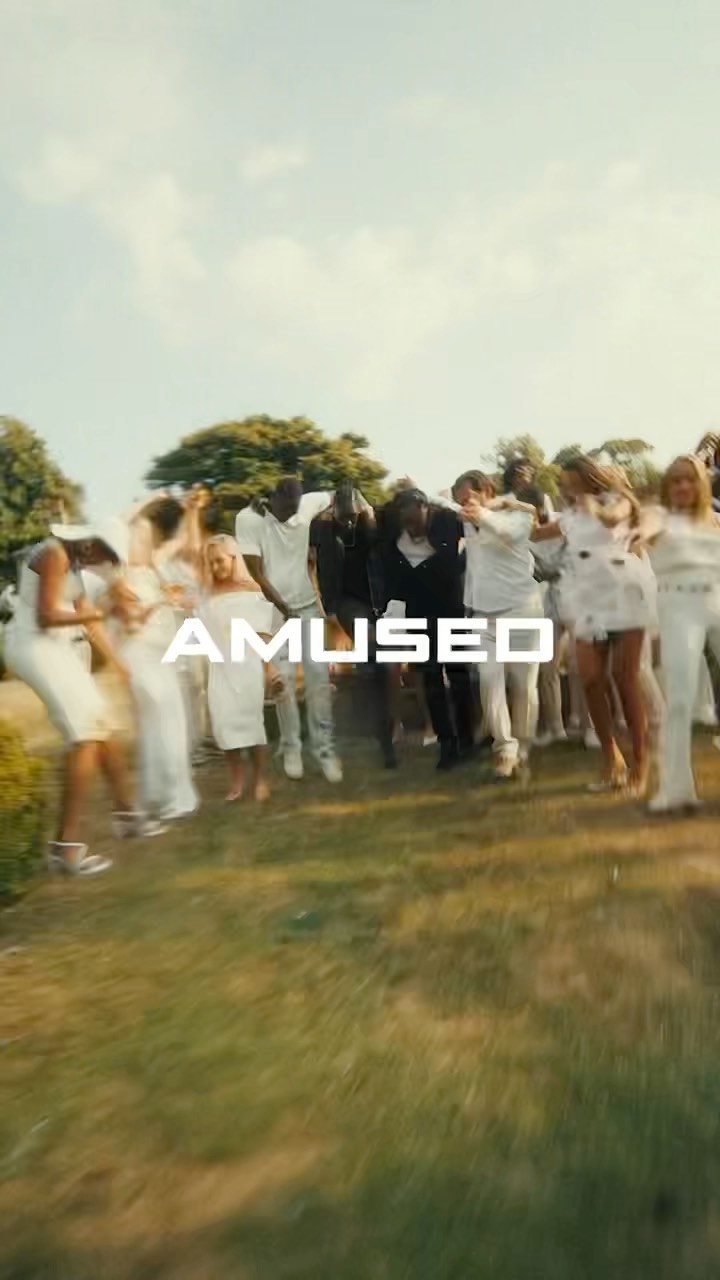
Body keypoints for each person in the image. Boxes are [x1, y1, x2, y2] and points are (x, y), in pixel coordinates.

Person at [4, 519, 143, 874]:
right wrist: (102, 610)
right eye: (105, 555)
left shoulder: (75, 564)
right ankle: (65, 849)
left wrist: (119, 664)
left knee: (101, 723)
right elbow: (47, 615)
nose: (104, 563)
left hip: (52, 648)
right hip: (32, 646)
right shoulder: (54, 553)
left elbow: (88, 623)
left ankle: (128, 816)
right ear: (89, 543)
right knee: (85, 735)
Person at [533, 455, 656, 795]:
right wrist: (513, 508)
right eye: (562, 485)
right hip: (587, 600)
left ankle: (640, 764)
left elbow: (613, 517)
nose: (565, 490)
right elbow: (537, 533)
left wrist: (594, 507)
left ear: (589, 480)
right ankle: (611, 758)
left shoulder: (617, 500)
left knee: (624, 678)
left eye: (571, 484)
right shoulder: (570, 516)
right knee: (589, 678)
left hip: (625, 594)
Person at [235, 478, 343, 783]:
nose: (292, 514)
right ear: (273, 499)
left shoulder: (307, 504)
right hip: (274, 611)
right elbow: (257, 575)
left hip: (307, 607)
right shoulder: (249, 519)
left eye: (296, 508)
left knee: (318, 681)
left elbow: (338, 494)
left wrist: (339, 510)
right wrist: (284, 609)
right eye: (286, 508)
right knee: (283, 682)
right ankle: (291, 747)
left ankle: (324, 750)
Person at [106, 498, 199, 825]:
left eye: (148, 536)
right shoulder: (119, 575)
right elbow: (132, 624)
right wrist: (149, 501)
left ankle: (170, 795)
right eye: (139, 537)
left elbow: (182, 540)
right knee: (159, 722)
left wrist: (191, 509)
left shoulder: (153, 567)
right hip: (139, 655)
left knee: (170, 722)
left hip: (163, 654)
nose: (145, 542)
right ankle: (168, 796)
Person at [453, 471, 542, 780]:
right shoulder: (468, 518)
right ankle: (505, 749)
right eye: (461, 501)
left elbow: (509, 534)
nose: (465, 505)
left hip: (523, 609)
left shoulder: (518, 514)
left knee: (523, 685)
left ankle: (524, 747)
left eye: (469, 498)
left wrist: (483, 512)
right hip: (483, 614)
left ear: (487, 490)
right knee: (489, 680)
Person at [643, 455, 720, 813]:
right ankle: (676, 789)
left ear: (702, 484)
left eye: (690, 479)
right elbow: (644, 528)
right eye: (675, 480)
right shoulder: (657, 516)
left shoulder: (714, 521)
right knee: (679, 700)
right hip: (678, 608)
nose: (683, 486)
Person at [381, 488, 474, 770]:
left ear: (426, 509)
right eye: (406, 523)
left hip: (450, 607)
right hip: (418, 611)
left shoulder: (446, 521)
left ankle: (466, 739)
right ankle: (447, 744)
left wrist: (435, 501)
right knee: (431, 678)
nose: (412, 528)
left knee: (458, 675)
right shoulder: (390, 527)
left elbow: (472, 518)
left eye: (416, 521)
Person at [310, 481, 396, 767]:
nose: (349, 522)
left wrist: (368, 515)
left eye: (353, 516)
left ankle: (385, 728)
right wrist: (329, 609)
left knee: (385, 665)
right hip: (350, 603)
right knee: (372, 653)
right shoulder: (322, 528)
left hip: (381, 601)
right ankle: (381, 737)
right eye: (343, 516)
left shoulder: (376, 524)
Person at [198, 535, 285, 802]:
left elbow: (262, 633)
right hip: (219, 666)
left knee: (251, 723)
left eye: (220, 561)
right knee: (223, 724)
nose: (215, 568)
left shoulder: (251, 590)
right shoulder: (207, 594)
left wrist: (269, 668)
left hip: (247, 666)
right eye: (211, 563)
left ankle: (259, 778)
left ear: (233, 558)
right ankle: (237, 779)